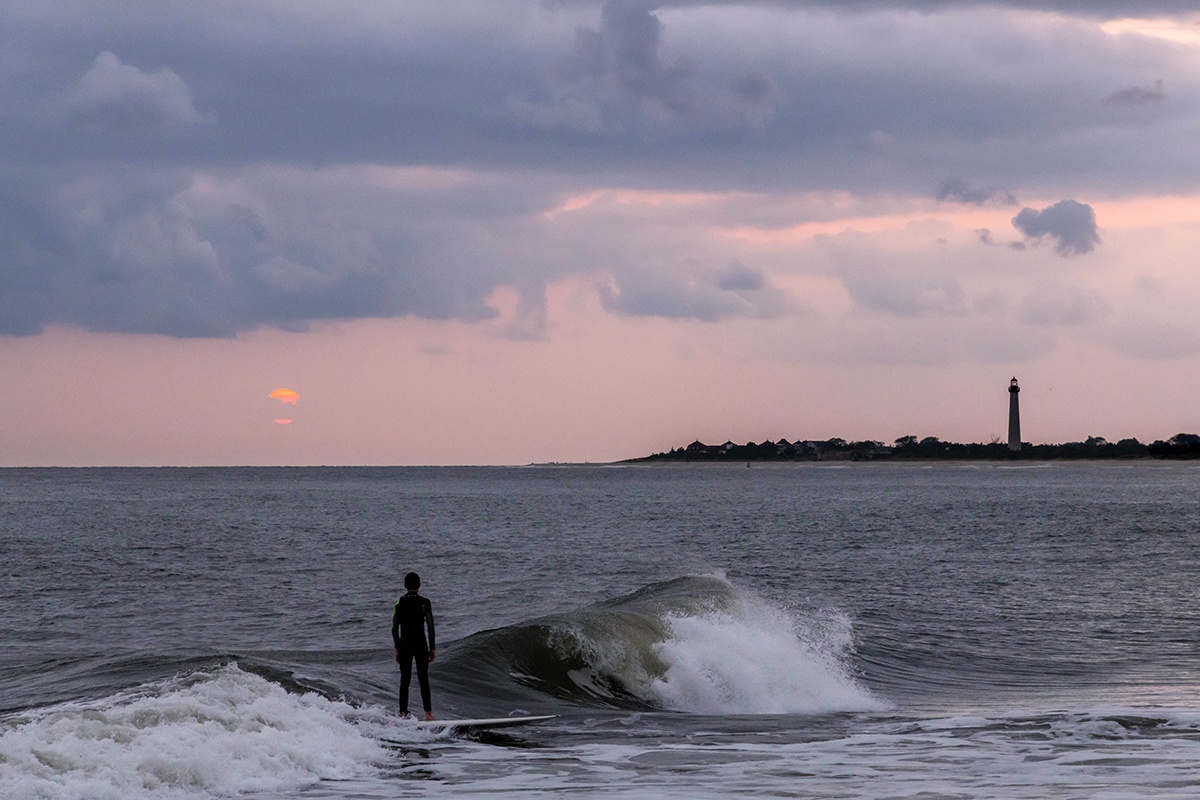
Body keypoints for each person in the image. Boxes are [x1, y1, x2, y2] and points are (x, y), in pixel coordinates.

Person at [391, 571, 436, 720]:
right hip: (420, 645)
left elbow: (394, 627)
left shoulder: (400, 602)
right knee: (423, 679)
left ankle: (402, 713)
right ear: (419, 585)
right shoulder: (425, 602)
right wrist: (432, 647)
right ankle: (428, 714)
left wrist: (397, 647)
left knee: (405, 679)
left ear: (405, 585)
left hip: (405, 645)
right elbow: (430, 626)